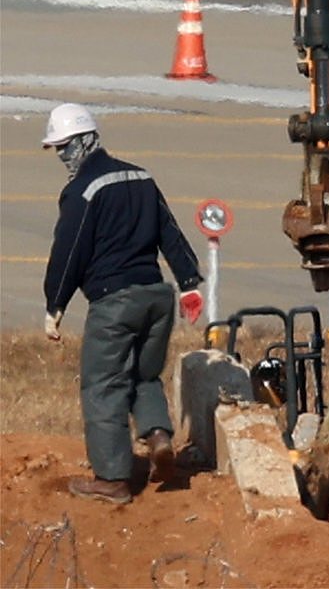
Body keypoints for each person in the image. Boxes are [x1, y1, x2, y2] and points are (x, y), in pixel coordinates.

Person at [42, 103, 205, 505]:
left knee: (103, 386)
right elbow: (170, 231)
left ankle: (112, 479)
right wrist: (188, 282)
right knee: (143, 376)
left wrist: (54, 304)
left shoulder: (83, 191)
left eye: (65, 147)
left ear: (84, 141)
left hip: (115, 303)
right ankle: (159, 436)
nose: (63, 156)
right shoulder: (140, 176)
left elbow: (70, 251)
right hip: (156, 297)